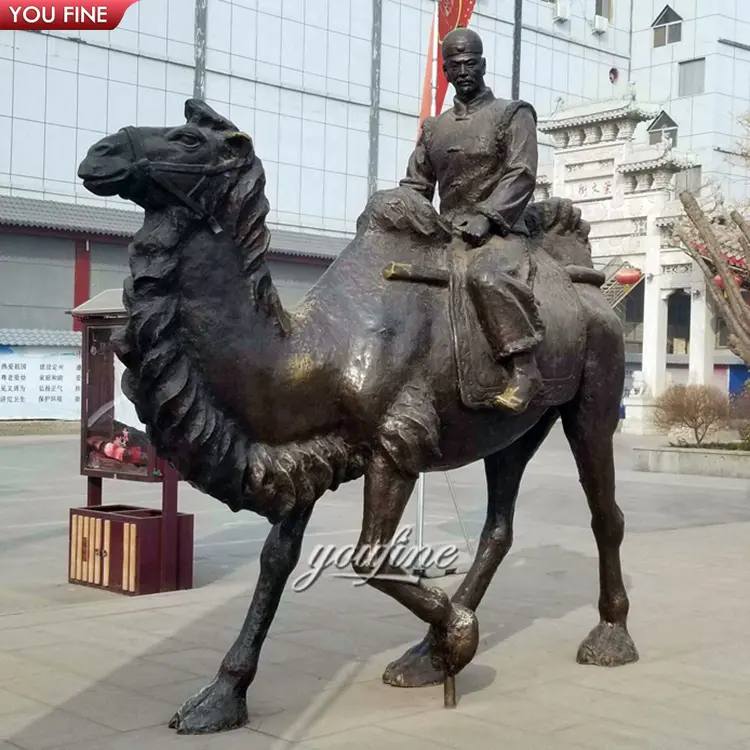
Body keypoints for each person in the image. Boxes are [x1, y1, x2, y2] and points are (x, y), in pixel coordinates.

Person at [399, 27, 544, 413]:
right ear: (444, 70)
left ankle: (523, 367)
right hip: (447, 232)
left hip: (500, 231)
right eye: (453, 65)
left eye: (469, 62)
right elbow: (416, 185)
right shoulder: (433, 129)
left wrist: (488, 216)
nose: (462, 71)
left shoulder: (512, 114)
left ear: (482, 64)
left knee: (485, 277)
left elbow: (521, 173)